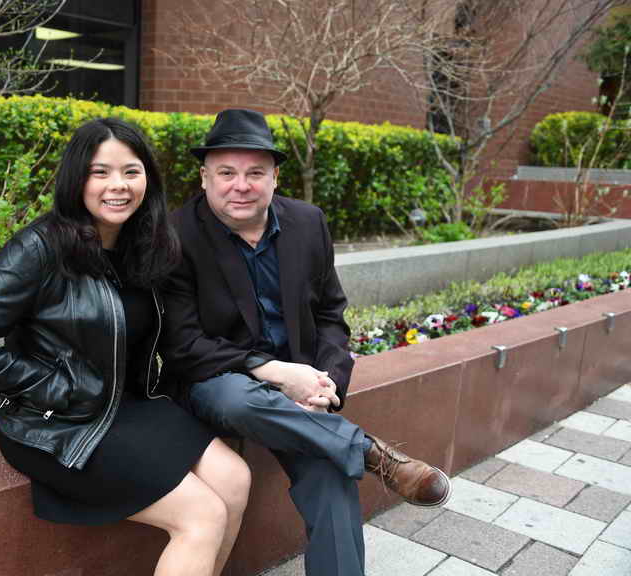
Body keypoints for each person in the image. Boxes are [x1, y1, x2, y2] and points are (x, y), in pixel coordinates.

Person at [0, 118, 251, 576]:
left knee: (235, 480)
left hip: (126, 406)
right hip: (55, 420)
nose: (117, 185)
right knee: (201, 516)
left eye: (131, 171)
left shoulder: (143, 244)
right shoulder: (39, 248)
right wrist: (58, 388)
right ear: (76, 179)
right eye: (99, 172)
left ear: (148, 179)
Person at [158, 109, 451, 576]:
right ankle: (370, 452)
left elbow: (330, 315)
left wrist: (325, 383)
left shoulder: (308, 223)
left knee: (330, 468)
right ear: (204, 178)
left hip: (300, 390)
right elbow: (183, 345)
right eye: (226, 173)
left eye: (256, 173)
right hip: (216, 379)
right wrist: (275, 373)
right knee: (237, 397)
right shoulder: (175, 236)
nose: (241, 185)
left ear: (275, 178)